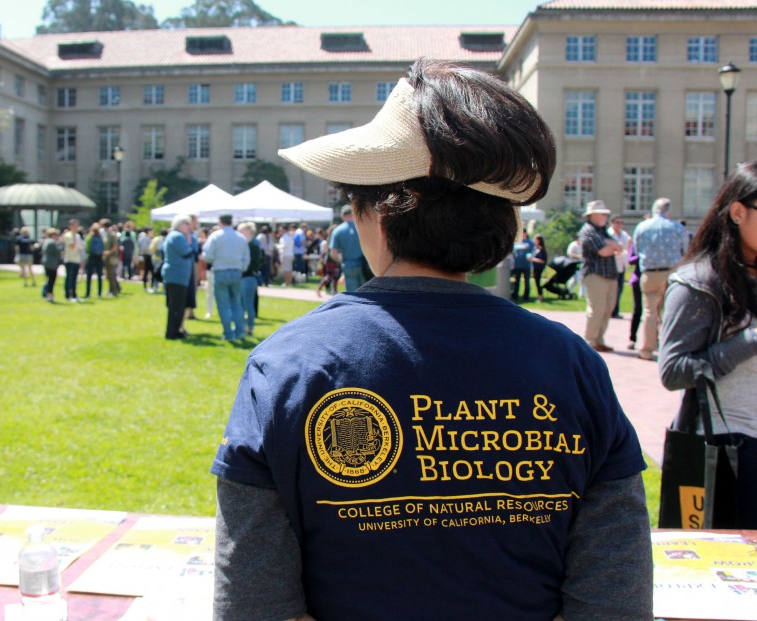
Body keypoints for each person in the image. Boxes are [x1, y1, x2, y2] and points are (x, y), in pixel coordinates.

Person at [211, 59, 652, 621]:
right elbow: (614, 595)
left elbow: (253, 602)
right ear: (503, 223)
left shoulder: (288, 363)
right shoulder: (570, 362)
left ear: (375, 212)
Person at [658, 161, 757, 527]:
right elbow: (673, 371)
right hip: (728, 449)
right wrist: (750, 340)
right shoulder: (699, 283)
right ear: (738, 212)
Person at [632, 198, 688, 361]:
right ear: (668, 211)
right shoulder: (676, 228)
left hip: (648, 273)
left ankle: (646, 349)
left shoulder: (642, 226)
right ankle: (668, 350)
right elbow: (685, 250)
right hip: (670, 273)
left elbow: (636, 248)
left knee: (649, 312)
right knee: (669, 312)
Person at [578, 200, 623, 352]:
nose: (605, 216)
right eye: (602, 213)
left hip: (610, 275)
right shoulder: (587, 230)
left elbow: (619, 247)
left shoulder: (603, 231)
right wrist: (611, 245)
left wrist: (609, 243)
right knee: (597, 309)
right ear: (592, 215)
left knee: (608, 309)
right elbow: (604, 251)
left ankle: (599, 339)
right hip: (595, 275)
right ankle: (590, 341)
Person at [202, 214, 250, 342]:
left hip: (221, 272)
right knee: (237, 303)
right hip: (236, 272)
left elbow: (208, 255)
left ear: (220, 222)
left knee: (223, 304)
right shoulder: (241, 237)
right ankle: (239, 332)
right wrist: (241, 268)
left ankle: (228, 334)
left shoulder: (216, 236)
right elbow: (247, 258)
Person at [162, 214, 195, 340]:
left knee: (176, 305)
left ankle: (175, 330)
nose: (189, 227)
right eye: (187, 224)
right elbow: (187, 252)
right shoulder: (178, 236)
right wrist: (190, 241)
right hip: (177, 276)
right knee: (176, 306)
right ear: (181, 225)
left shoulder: (173, 235)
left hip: (175, 275)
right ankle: (173, 332)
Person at [329, 204, 366, 292]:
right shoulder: (363, 227)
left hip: (348, 265)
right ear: (353, 214)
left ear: (342, 216)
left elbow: (333, 252)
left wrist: (341, 260)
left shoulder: (337, 231)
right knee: (366, 292)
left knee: (352, 293)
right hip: (364, 264)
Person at [237, 222, 262, 337]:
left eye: (241, 230)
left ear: (249, 231)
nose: (239, 233)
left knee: (247, 305)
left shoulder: (253, 246)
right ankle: (243, 328)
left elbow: (254, 264)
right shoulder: (248, 244)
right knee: (243, 305)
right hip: (246, 278)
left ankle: (249, 329)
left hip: (248, 278)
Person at [609, 214, 631, 319]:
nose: (619, 225)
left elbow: (628, 244)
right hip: (612, 265)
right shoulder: (609, 234)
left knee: (619, 289)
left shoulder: (624, 234)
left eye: (621, 223)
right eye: (617, 222)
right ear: (612, 223)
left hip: (622, 265)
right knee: (612, 290)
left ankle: (615, 310)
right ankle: (611, 310)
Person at [61, 219, 83, 303]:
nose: (76, 228)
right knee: (69, 278)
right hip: (69, 259)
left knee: (74, 278)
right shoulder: (68, 235)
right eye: (74, 226)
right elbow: (72, 246)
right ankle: (68, 295)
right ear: (70, 226)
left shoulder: (77, 236)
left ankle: (74, 294)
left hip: (76, 259)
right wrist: (73, 236)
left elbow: (80, 246)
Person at [512, 228, 534, 301]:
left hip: (526, 265)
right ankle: (515, 295)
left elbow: (532, 251)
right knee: (517, 281)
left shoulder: (529, 242)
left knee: (527, 282)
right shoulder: (516, 243)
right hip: (518, 265)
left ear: (525, 233)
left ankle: (526, 296)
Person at [84, 223, 105, 298]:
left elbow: (86, 248)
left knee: (89, 276)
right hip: (99, 258)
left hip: (91, 257)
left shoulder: (90, 237)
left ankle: (88, 293)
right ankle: (99, 293)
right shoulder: (101, 237)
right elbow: (103, 247)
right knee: (99, 276)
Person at [41, 228, 61, 303]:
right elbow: (58, 251)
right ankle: (49, 295)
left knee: (48, 279)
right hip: (51, 263)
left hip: (46, 262)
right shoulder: (52, 242)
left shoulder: (46, 241)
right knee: (51, 280)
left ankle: (46, 294)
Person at [530, 234, 548, 303]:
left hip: (539, 268)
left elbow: (542, 260)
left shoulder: (541, 249)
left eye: (535, 239)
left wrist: (533, 259)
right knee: (536, 283)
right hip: (535, 268)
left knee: (538, 283)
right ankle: (539, 296)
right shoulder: (535, 248)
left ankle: (540, 297)